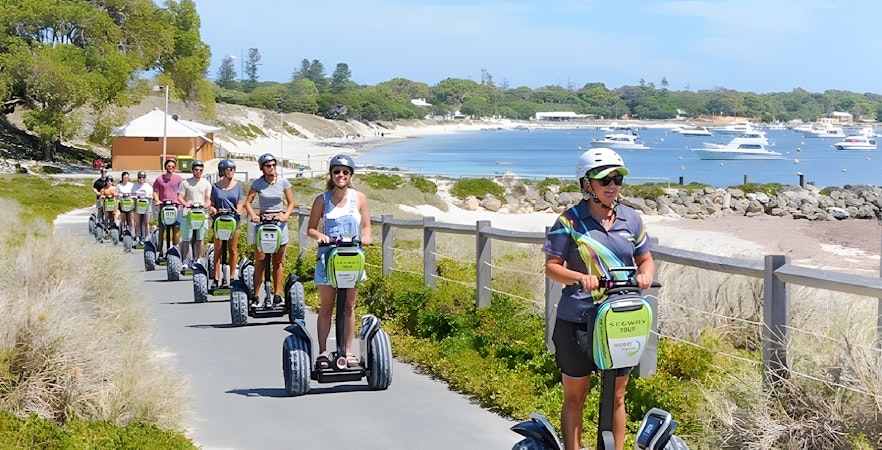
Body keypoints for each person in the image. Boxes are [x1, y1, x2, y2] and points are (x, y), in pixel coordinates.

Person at [542, 148, 656, 450]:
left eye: (617, 179)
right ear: (586, 184)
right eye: (605, 179)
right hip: (577, 322)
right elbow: (552, 267)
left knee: (618, 396)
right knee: (575, 397)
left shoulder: (631, 219)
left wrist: (645, 274)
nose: (613, 185)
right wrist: (580, 278)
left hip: (619, 321)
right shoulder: (569, 222)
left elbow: (646, 259)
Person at [306, 154, 372, 369]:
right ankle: (323, 353)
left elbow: (366, 226)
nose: (341, 175)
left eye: (345, 172)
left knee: (349, 306)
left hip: (352, 258)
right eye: (337, 172)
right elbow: (311, 228)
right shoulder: (322, 200)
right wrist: (321, 236)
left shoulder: (359, 198)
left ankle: (348, 351)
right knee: (326, 306)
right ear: (331, 175)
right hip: (328, 257)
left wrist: (367, 238)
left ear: (350, 175)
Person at [244, 153, 296, 306]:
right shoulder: (258, 184)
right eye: (268, 166)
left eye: (273, 165)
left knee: (277, 261)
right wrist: (254, 216)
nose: (272, 168)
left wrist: (285, 215)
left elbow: (291, 203)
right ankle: (255, 295)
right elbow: (248, 202)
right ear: (263, 168)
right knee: (260, 259)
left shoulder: (283, 182)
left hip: (279, 223)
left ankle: (277, 294)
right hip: (263, 222)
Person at [209, 159, 244, 286]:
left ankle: (232, 277)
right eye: (230, 169)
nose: (232, 172)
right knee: (218, 248)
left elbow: (240, 202)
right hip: (220, 220)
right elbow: (211, 203)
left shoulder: (238, 185)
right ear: (223, 171)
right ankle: (216, 277)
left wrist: (238, 211)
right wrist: (212, 209)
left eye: (233, 169)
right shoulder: (215, 187)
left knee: (233, 249)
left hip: (233, 220)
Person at [177, 159, 212, 270]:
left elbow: (208, 199)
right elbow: (179, 197)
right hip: (188, 214)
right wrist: (186, 204)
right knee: (186, 238)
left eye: (201, 170)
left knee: (200, 238)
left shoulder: (206, 183)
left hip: (201, 214)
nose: (198, 172)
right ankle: (185, 260)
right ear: (192, 170)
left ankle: (199, 259)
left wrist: (206, 205)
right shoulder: (185, 183)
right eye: (196, 170)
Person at [152, 158, 183, 258]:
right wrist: (157, 200)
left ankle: (175, 250)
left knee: (176, 229)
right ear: (166, 167)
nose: (171, 168)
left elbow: (183, 191)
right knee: (162, 229)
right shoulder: (159, 179)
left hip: (175, 207)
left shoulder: (179, 179)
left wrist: (181, 201)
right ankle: (160, 251)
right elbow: (155, 192)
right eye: (169, 166)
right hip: (164, 206)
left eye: (173, 166)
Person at [131, 171, 154, 245]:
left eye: (143, 177)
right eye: (140, 177)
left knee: (146, 223)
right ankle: (138, 236)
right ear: (138, 178)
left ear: (145, 178)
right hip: (138, 206)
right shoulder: (135, 186)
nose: (141, 179)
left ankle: (147, 237)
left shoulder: (148, 186)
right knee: (138, 222)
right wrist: (136, 197)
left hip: (146, 206)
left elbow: (151, 196)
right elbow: (132, 195)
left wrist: (146, 196)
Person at [116, 171, 135, 238]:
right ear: (122, 178)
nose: (126, 178)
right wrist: (120, 196)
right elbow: (116, 194)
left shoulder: (131, 185)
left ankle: (132, 232)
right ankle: (123, 231)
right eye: (125, 177)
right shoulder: (119, 185)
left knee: (131, 218)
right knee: (123, 218)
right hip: (123, 203)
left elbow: (134, 193)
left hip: (130, 203)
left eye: (127, 177)